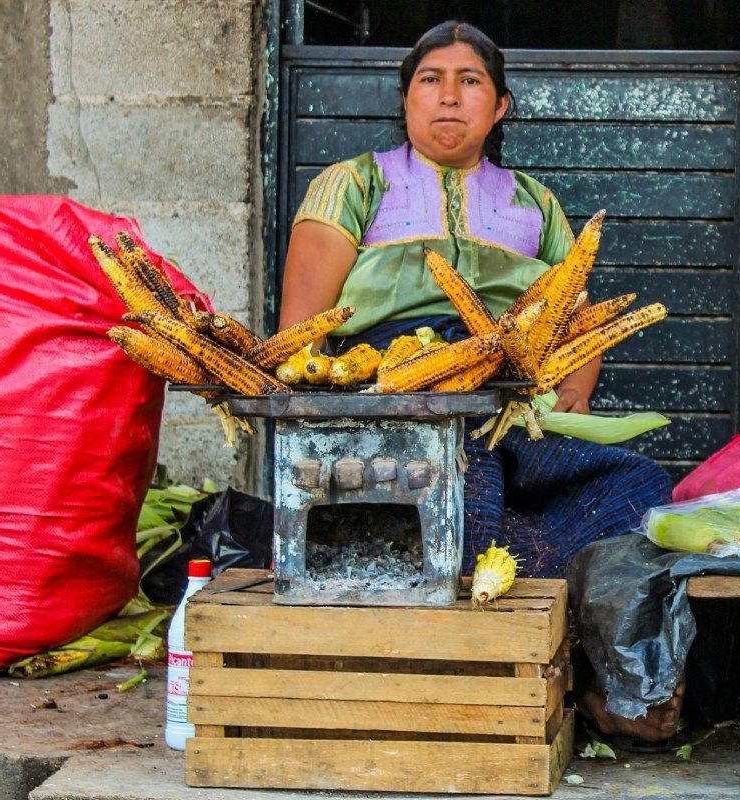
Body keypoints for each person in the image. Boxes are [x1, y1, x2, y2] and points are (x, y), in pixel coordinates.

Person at [278, 20, 682, 744]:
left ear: (499, 107)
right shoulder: (355, 184)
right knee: (471, 473)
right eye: (430, 80)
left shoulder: (535, 202)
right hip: (393, 395)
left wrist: (571, 395)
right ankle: (469, 684)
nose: (449, 97)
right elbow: (301, 331)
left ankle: (605, 678)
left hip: (512, 397)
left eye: (470, 82)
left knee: (637, 484)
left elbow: (578, 327)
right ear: (405, 98)